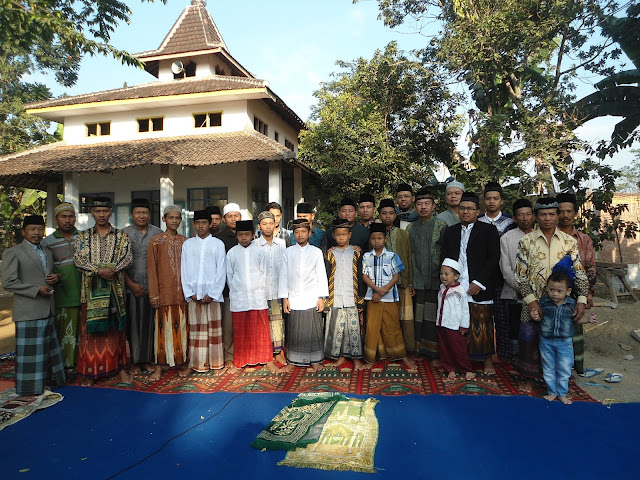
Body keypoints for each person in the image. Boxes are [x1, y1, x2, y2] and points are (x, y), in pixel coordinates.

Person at [514, 197, 590, 392]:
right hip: (533, 301)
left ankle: (559, 381)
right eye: (542, 214)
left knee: (559, 340)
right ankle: (529, 379)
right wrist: (531, 302)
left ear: (557, 216)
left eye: (551, 214)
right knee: (529, 340)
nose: (547, 218)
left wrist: (581, 300)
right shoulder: (526, 241)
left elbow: (580, 273)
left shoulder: (569, 242)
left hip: (561, 303)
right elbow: (519, 276)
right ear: (536, 217)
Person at [2, 215, 65, 395]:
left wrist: (56, 278)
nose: (37, 233)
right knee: (30, 353)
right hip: (28, 309)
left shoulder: (46, 251)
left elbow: (49, 274)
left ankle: (51, 381)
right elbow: (9, 282)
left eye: (40, 229)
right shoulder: (13, 252)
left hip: (48, 308)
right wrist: (36, 290)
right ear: (24, 231)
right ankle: (29, 389)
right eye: (32, 229)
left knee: (47, 350)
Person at [74, 198, 133, 386]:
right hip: (90, 293)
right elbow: (78, 260)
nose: (101, 214)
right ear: (92, 213)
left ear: (110, 213)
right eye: (98, 211)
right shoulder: (83, 237)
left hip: (115, 291)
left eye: (105, 211)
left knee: (117, 332)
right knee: (90, 335)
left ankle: (120, 369)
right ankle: (91, 373)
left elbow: (128, 258)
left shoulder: (121, 236)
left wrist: (112, 270)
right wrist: (98, 271)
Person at [441, 192, 500, 374]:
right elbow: (445, 257)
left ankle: (487, 361)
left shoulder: (488, 230)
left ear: (478, 211)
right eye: (462, 208)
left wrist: (480, 282)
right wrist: (448, 281)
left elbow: (493, 258)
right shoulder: (450, 231)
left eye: (469, 209)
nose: (465, 212)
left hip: (478, 284)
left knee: (482, 326)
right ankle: (459, 360)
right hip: (455, 285)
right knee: (455, 325)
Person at [531, 270, 598, 404]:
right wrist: (535, 316)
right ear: (547, 289)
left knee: (564, 368)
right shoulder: (543, 302)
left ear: (568, 291)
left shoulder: (571, 304)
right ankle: (552, 392)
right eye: (552, 290)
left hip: (564, 342)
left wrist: (588, 320)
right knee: (548, 367)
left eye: (559, 291)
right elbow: (540, 319)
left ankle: (562, 393)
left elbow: (576, 320)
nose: (555, 294)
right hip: (546, 341)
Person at [362, 223, 417, 369]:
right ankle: (370, 359)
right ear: (370, 240)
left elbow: (395, 277)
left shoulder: (392, 256)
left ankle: (402, 356)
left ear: (385, 239)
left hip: (389, 297)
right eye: (373, 238)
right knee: (372, 328)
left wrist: (383, 291)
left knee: (393, 327)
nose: (376, 241)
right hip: (373, 297)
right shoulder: (366, 256)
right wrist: (377, 290)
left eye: (379, 238)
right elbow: (365, 276)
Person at [227, 220, 278, 373]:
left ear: (253, 234)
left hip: (257, 297)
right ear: (236, 235)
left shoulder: (259, 251)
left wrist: (260, 291)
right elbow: (229, 276)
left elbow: (264, 274)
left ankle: (267, 360)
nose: (244, 237)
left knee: (261, 330)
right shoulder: (231, 253)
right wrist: (237, 290)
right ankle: (240, 362)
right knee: (241, 331)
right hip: (240, 298)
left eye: (247, 234)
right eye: (240, 235)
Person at [279, 218, 329, 371]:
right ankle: (293, 361)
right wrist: (285, 298)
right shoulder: (288, 252)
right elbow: (283, 275)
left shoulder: (316, 252)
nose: (300, 235)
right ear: (293, 234)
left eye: (303, 232)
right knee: (295, 330)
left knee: (313, 331)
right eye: (297, 232)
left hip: (311, 297)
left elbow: (321, 274)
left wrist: (321, 297)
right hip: (294, 297)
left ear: (309, 233)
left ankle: (315, 360)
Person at [181, 209, 226, 375]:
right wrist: (190, 292)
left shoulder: (218, 244)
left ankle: (215, 363)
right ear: (193, 224)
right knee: (196, 331)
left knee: (213, 331)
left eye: (204, 223)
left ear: (210, 224)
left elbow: (222, 271)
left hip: (211, 295)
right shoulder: (188, 244)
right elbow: (183, 270)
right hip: (194, 295)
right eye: (198, 223)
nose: (201, 226)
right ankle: (195, 364)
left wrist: (213, 294)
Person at [556, 192, 597, 375]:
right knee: (552, 332)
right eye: (561, 211)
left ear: (575, 213)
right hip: (552, 293)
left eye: (569, 211)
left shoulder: (584, 240)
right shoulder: (548, 237)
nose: (565, 215)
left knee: (574, 331)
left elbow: (590, 270)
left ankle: (572, 370)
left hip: (575, 293)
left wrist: (586, 295)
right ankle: (552, 369)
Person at [146, 205, 188, 379]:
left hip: (183, 295)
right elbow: (151, 270)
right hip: (163, 294)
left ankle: (183, 362)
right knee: (162, 332)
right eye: (171, 218)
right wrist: (154, 294)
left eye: (178, 218)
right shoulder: (156, 241)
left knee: (184, 329)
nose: (175, 221)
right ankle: (159, 366)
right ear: (164, 219)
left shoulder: (186, 241)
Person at [123, 198, 163, 374]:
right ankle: (134, 361)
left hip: (152, 287)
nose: (141, 216)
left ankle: (147, 360)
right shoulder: (123, 234)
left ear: (149, 214)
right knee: (132, 325)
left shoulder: (157, 233)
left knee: (150, 325)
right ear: (132, 215)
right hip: (130, 288)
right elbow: (118, 263)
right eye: (138, 213)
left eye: (145, 213)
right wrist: (130, 284)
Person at [407, 188, 447, 360]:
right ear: (415, 206)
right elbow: (408, 255)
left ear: (433, 206)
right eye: (420, 204)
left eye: (427, 204)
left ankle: (434, 352)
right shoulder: (410, 227)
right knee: (418, 316)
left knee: (433, 317)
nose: (423, 207)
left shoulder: (441, 226)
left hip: (436, 279)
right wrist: (409, 281)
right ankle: (418, 349)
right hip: (417, 280)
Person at [478, 181, 515, 366]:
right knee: (483, 317)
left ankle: (505, 355)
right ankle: (482, 355)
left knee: (503, 318)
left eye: (495, 198)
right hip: (484, 277)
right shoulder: (477, 221)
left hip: (504, 276)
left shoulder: (510, 222)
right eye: (488, 198)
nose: (491, 202)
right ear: (484, 200)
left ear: (501, 200)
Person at [41, 203, 81, 370]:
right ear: (56, 219)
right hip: (62, 296)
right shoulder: (47, 243)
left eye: (70, 216)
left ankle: (83, 366)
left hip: (85, 293)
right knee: (65, 333)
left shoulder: (84, 237)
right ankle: (65, 367)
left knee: (84, 334)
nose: (67, 220)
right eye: (63, 217)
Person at [324, 218, 365, 370]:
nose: (341, 238)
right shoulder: (329, 254)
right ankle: (340, 357)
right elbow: (326, 275)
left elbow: (361, 276)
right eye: (338, 235)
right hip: (336, 297)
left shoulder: (356, 253)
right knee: (337, 329)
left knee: (353, 330)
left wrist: (361, 299)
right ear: (334, 236)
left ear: (350, 235)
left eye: (344, 234)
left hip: (352, 297)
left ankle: (356, 360)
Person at [499, 199, 535, 361]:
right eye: (521, 215)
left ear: (533, 216)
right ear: (514, 218)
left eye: (528, 214)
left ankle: (530, 361)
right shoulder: (506, 238)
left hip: (538, 294)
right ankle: (515, 361)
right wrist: (521, 289)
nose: (525, 218)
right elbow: (505, 268)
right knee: (514, 328)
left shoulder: (540, 237)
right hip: (513, 293)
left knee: (533, 330)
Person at [378, 198, 414, 355]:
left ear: (395, 215)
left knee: (404, 318)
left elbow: (408, 257)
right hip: (382, 285)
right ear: (379, 215)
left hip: (402, 282)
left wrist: (410, 282)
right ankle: (386, 349)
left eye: (391, 213)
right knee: (387, 318)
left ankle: (407, 349)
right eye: (384, 213)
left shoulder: (403, 234)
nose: (388, 216)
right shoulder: (375, 235)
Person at [254, 211, 287, 365]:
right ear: (259, 226)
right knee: (262, 324)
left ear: (275, 224)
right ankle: (265, 353)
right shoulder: (254, 245)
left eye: (270, 223)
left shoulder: (281, 244)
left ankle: (278, 352)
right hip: (261, 291)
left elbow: (285, 267)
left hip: (277, 290)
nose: (268, 227)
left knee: (277, 322)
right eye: (264, 224)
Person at [437, 258, 474, 381]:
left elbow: (465, 310)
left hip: (454, 326)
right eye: (442, 273)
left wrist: (464, 326)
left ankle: (466, 368)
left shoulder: (460, 292)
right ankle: (449, 368)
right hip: (442, 324)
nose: (443, 276)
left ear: (456, 276)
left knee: (458, 348)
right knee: (444, 348)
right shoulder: (442, 289)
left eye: (447, 274)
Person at [215, 202, 241, 369]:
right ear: (224, 219)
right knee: (228, 325)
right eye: (230, 216)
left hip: (245, 289)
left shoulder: (247, 236)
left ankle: (243, 353)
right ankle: (229, 355)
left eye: (236, 215)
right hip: (227, 289)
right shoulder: (218, 239)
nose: (233, 219)